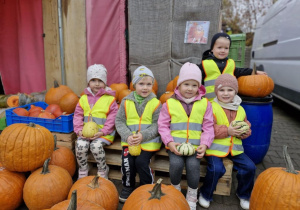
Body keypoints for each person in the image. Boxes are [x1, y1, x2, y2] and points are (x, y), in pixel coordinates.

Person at [158, 62, 214, 210]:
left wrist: (205, 144)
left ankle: (192, 194)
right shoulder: (169, 104)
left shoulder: (205, 104)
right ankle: (175, 190)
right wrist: (169, 142)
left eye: (194, 85)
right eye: (186, 84)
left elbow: (208, 127)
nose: (190, 88)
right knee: (175, 164)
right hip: (175, 145)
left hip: (195, 146)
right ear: (179, 85)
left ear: (199, 87)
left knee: (193, 166)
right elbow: (162, 126)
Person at [198, 74, 256, 210]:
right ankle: (205, 194)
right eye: (221, 90)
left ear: (235, 91)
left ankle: (243, 194)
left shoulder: (240, 108)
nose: (225, 93)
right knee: (217, 169)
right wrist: (227, 131)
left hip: (234, 149)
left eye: (230, 90)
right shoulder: (211, 107)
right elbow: (207, 128)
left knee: (250, 167)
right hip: (215, 149)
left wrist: (245, 131)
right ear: (216, 91)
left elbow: (246, 124)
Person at [115, 66, 162, 203]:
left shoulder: (156, 103)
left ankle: (146, 186)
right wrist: (127, 136)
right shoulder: (126, 101)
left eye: (149, 84)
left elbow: (157, 125)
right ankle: (127, 186)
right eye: (141, 84)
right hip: (129, 140)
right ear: (134, 84)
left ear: (153, 85)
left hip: (148, 141)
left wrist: (143, 136)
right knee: (127, 162)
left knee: (141, 162)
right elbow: (119, 121)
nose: (145, 87)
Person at [73, 64, 118, 179]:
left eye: (100, 80)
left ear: (105, 83)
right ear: (88, 82)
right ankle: (83, 168)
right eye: (93, 80)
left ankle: (103, 169)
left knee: (95, 146)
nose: (97, 84)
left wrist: (103, 131)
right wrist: (78, 130)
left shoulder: (110, 99)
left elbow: (112, 118)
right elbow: (78, 115)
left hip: (103, 133)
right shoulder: (83, 99)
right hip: (85, 133)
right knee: (80, 145)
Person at [197, 32, 267, 101]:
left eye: (226, 48)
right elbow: (197, 81)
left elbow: (240, 71)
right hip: (210, 103)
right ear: (212, 49)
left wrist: (254, 72)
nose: (223, 50)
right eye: (219, 47)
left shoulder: (231, 63)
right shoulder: (204, 64)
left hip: (228, 103)